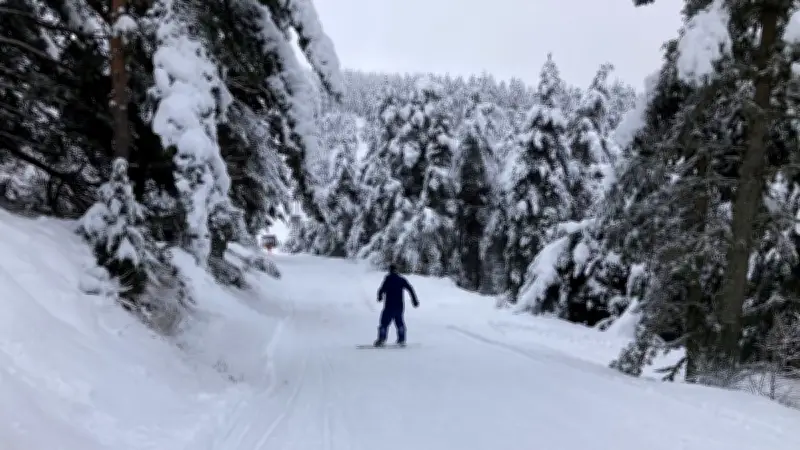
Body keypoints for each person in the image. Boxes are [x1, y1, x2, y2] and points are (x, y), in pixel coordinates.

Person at [375, 264, 419, 347]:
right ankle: (401, 339)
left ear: (390, 270)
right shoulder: (401, 279)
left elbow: (381, 289)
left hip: (389, 306)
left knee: (384, 323)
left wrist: (380, 297)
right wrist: (414, 300)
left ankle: (381, 339)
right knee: (399, 322)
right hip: (399, 306)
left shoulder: (388, 279)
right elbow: (410, 289)